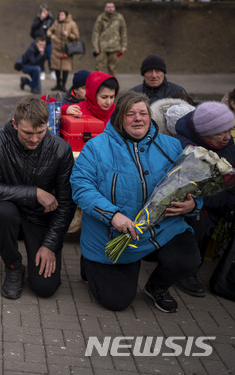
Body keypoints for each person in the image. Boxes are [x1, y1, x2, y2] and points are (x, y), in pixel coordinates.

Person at [71, 91, 201, 313]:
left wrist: (194, 204)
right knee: (116, 301)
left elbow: (191, 182)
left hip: (160, 228)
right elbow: (81, 187)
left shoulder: (171, 146)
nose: (138, 118)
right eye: (130, 114)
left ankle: (156, 286)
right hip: (114, 233)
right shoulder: (97, 147)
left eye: (143, 113)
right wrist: (113, 215)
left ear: (150, 117)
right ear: (119, 117)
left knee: (188, 259)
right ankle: (90, 263)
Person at [0, 96, 75, 299]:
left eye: (40, 132)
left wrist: (50, 244)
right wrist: (34, 192)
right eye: (27, 133)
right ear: (15, 124)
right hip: (11, 211)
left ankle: (37, 257)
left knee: (45, 288)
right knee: (2, 212)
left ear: (47, 125)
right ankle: (13, 266)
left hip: (40, 218)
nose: (34, 139)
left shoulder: (61, 149)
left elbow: (66, 203)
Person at [173, 101, 235, 297]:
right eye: (220, 133)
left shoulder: (227, 143)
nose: (227, 137)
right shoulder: (184, 147)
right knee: (198, 218)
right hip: (196, 203)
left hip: (224, 198)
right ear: (204, 132)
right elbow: (181, 188)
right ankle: (186, 270)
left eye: (230, 130)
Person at [47, 10, 80, 92]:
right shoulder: (56, 23)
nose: (60, 17)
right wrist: (51, 35)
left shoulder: (72, 24)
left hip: (67, 50)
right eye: (59, 15)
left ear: (66, 16)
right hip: (56, 49)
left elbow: (76, 36)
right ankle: (58, 84)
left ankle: (63, 85)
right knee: (56, 67)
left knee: (65, 68)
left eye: (62, 15)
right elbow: (49, 31)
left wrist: (68, 34)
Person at [92, 1, 127, 75]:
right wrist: (96, 47)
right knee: (99, 68)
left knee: (112, 69)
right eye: (108, 7)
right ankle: (98, 85)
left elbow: (123, 32)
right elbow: (96, 33)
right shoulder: (101, 18)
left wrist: (123, 47)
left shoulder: (119, 18)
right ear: (105, 8)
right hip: (102, 48)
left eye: (112, 7)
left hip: (115, 47)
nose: (110, 9)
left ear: (114, 8)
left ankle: (112, 86)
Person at [30, 4, 54, 81]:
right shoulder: (37, 19)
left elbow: (54, 29)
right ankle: (42, 72)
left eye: (45, 11)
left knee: (50, 57)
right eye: (42, 11)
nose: (44, 12)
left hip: (48, 41)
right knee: (41, 57)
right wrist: (40, 19)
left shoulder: (51, 19)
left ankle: (52, 72)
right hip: (39, 42)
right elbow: (33, 29)